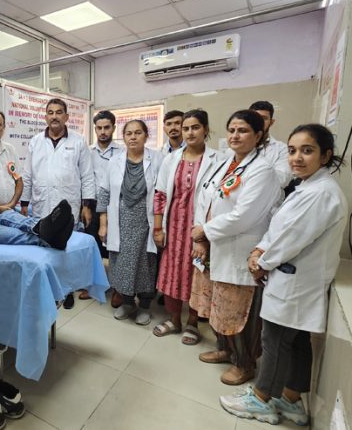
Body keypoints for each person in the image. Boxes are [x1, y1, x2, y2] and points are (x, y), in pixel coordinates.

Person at [219, 124, 347, 426]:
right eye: (292, 150)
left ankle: (262, 399)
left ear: (326, 155)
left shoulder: (320, 193)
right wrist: (261, 251)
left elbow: (291, 237)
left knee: (275, 340)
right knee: (297, 341)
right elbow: (280, 229)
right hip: (294, 278)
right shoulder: (310, 187)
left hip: (295, 281)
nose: (297, 158)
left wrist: (262, 260)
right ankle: (290, 399)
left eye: (307, 150)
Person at [191, 110, 280, 386]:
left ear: (258, 135)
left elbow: (245, 216)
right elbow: (204, 197)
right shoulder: (226, 163)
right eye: (231, 130)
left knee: (240, 311)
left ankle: (245, 363)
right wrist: (202, 238)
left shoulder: (262, 170)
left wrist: (205, 230)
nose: (235, 136)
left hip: (241, 249)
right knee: (220, 305)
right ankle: (225, 349)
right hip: (218, 246)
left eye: (242, 131)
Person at [152, 110, 224, 344]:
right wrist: (158, 228)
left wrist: (204, 234)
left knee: (196, 274)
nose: (190, 132)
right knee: (172, 273)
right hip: (173, 226)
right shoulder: (171, 159)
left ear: (206, 130)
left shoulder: (219, 160)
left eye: (195, 127)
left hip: (199, 229)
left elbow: (218, 199)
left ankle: (192, 323)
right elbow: (160, 194)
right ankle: (174, 319)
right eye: (186, 128)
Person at [21, 98, 95, 309]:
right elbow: (28, 174)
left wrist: (87, 206)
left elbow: (87, 176)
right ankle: (48, 290)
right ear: (45, 117)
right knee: (45, 249)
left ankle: (68, 289)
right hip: (42, 205)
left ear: (66, 117)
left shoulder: (78, 141)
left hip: (69, 205)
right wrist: (25, 203)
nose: (54, 116)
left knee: (67, 251)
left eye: (59, 112)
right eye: (50, 112)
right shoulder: (35, 141)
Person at [98, 120, 164, 325]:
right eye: (128, 133)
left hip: (146, 222)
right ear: (123, 137)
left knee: (146, 263)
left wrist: (160, 225)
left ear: (146, 136)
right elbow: (104, 192)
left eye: (138, 133)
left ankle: (144, 305)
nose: (133, 137)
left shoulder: (159, 159)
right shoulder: (114, 161)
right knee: (120, 263)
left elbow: (162, 193)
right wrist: (103, 223)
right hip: (120, 222)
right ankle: (127, 302)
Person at [84, 110, 123, 302]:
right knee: (92, 246)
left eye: (106, 127)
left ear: (114, 128)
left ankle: (117, 287)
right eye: (99, 128)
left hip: (115, 205)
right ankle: (92, 284)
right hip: (92, 204)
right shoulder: (87, 151)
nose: (102, 132)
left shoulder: (122, 152)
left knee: (115, 247)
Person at [249, 101, 291, 189]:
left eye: (264, 118)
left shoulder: (282, 149)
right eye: (254, 118)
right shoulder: (232, 150)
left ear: (271, 122)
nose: (258, 122)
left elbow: (282, 180)